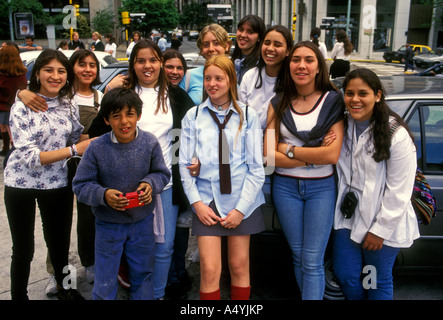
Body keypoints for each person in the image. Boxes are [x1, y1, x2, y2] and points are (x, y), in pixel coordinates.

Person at [89, 39, 194, 300]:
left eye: (153, 60)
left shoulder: (176, 94)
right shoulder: (124, 94)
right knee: (128, 247)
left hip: (163, 182)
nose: (147, 66)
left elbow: (191, 131)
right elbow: (97, 132)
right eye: (140, 60)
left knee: (164, 247)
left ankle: (155, 295)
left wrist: (196, 159)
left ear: (160, 62)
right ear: (132, 64)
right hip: (125, 186)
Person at [4, 49, 93, 300]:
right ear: (37, 74)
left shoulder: (69, 103)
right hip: (20, 184)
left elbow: (77, 135)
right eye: (49, 70)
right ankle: (18, 296)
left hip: (57, 183)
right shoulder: (22, 107)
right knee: (23, 249)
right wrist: (74, 150)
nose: (55, 76)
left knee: (60, 244)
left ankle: (66, 290)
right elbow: (31, 157)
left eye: (61, 71)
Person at [180, 55, 265, 300]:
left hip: (242, 200)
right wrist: (197, 204)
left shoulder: (248, 115)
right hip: (207, 201)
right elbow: (185, 166)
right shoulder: (193, 116)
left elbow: (256, 169)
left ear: (231, 80)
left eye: (219, 78)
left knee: (239, 266)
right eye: (208, 78)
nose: (212, 83)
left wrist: (240, 209)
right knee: (209, 269)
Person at [264, 41, 345, 300]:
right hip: (285, 188)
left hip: (321, 188)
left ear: (319, 66)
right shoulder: (277, 102)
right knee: (298, 255)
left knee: (312, 260)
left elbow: (331, 155)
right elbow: (267, 155)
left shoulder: (333, 100)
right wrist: (313, 155)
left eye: (309, 60)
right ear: (288, 66)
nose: (302, 65)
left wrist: (288, 149)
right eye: (296, 59)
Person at [72, 87, 170, 300]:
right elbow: (80, 185)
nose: (124, 121)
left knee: (143, 273)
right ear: (107, 120)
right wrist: (103, 195)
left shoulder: (150, 143)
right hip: (108, 225)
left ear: (139, 115)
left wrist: (150, 184)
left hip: (142, 223)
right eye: (116, 116)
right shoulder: (96, 148)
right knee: (105, 276)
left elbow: (162, 174)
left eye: (130, 114)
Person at [332, 68, 419, 300]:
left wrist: (379, 231)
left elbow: (399, 192)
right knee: (346, 274)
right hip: (349, 218)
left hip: (381, 223)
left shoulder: (396, 135)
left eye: (363, 93)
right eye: (349, 93)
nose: (355, 99)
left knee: (374, 280)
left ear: (377, 95)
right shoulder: (342, 127)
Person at [239, 25, 293, 130]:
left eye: (277, 45)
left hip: (280, 142)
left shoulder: (293, 80)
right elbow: (241, 117)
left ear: (288, 51)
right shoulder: (249, 77)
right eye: (267, 43)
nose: (270, 48)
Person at [179, 24, 231, 106]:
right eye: (206, 44)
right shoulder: (188, 77)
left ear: (227, 46)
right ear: (201, 49)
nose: (211, 49)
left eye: (216, 43)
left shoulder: (237, 75)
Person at [0, 45, 27, 156]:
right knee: (8, 128)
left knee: (8, 130)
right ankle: (7, 148)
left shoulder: (2, 76)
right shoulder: (22, 75)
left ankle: (11, 150)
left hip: (4, 106)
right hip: (16, 105)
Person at [231, 15, 266, 84]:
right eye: (241, 30)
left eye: (250, 32)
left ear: (259, 38)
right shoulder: (232, 61)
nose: (243, 35)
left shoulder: (261, 66)